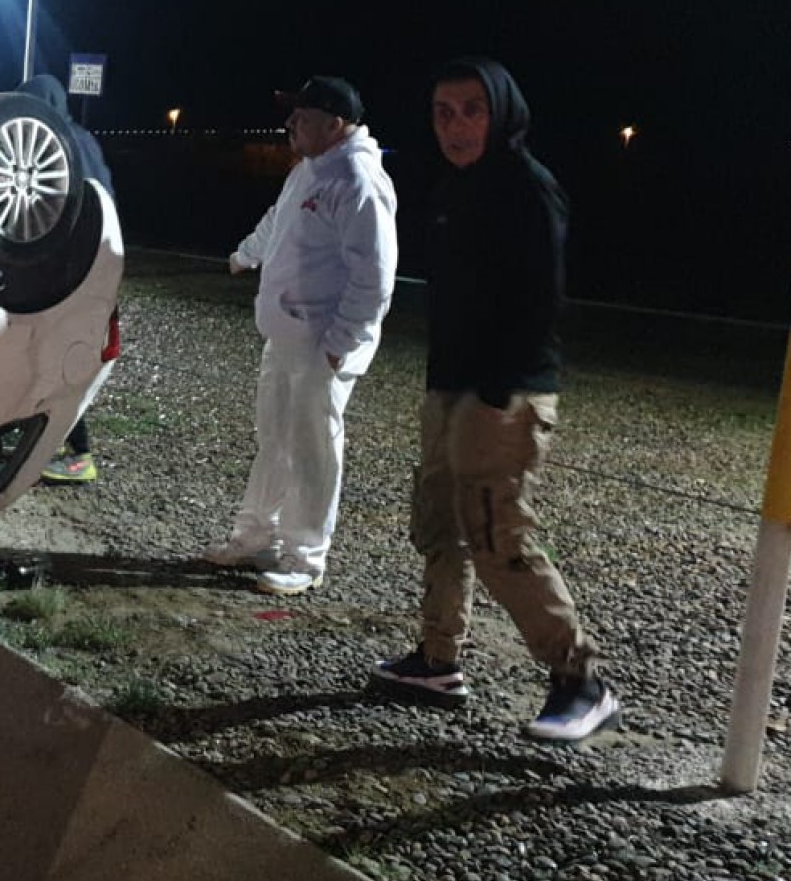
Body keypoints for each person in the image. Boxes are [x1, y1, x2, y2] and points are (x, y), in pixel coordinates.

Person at [369, 57, 621, 745]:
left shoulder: (527, 189)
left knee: (497, 537)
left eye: (471, 110)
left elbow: (542, 303)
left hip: (503, 395)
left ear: (502, 112)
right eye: (443, 112)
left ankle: (581, 679)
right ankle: (437, 660)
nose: (456, 126)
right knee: (438, 525)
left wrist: (492, 391)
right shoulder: (455, 189)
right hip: (449, 388)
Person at [204, 76, 397, 594]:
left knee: (313, 447)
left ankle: (304, 557)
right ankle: (255, 535)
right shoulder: (309, 171)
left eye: (302, 116)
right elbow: (279, 221)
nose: (290, 123)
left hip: (321, 342)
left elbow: (374, 276)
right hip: (285, 337)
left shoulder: (357, 179)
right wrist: (246, 254)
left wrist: (341, 344)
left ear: (335, 124)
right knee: (274, 439)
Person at [15, 74, 113, 486]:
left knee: (62, 361)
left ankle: (80, 454)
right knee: (59, 359)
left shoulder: (55, 141)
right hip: (94, 267)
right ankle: (50, 439)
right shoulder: (84, 139)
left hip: (72, 274)